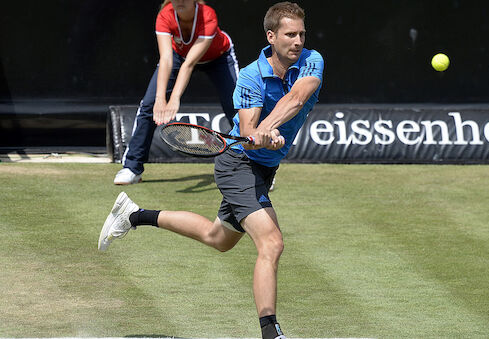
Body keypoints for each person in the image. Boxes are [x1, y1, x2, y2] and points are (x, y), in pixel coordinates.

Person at [98, 2, 323, 338]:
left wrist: (270, 128)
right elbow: (247, 134)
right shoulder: (248, 76)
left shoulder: (312, 61)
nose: (298, 41)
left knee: (217, 238)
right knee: (271, 243)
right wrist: (260, 136)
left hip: (263, 170)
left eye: (302, 33)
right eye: (290, 34)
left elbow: (297, 97)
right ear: (271, 36)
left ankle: (133, 215)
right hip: (238, 164)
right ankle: (270, 333)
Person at [114, 0, 239, 185]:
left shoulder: (208, 15)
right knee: (149, 106)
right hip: (177, 56)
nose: (179, 1)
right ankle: (132, 168)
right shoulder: (165, 15)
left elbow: (189, 64)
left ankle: (258, 167)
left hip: (218, 57)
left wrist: (174, 99)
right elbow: (165, 59)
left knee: (239, 108)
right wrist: (160, 99)